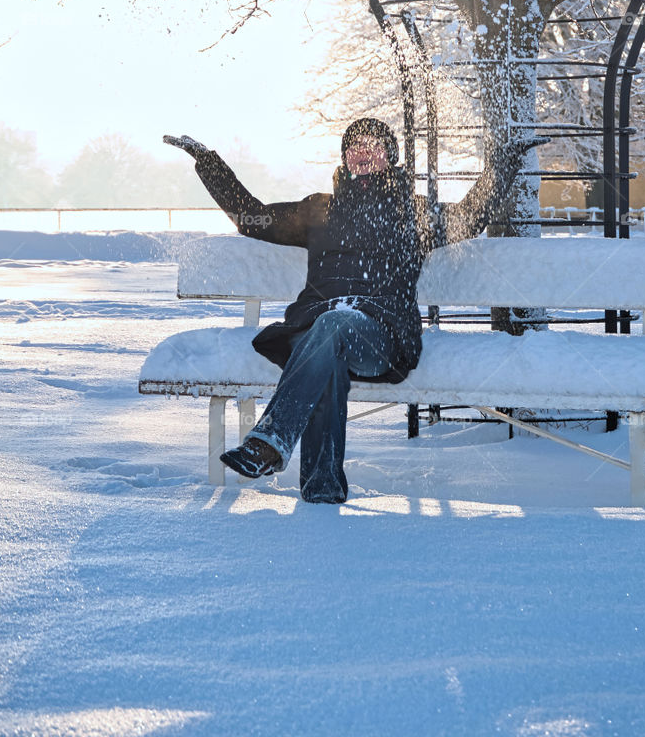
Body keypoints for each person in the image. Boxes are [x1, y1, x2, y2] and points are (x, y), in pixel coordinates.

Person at [164, 119, 540, 504]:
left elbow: (468, 218)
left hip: (378, 334)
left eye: (371, 145)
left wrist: (503, 165)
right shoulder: (319, 210)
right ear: (344, 157)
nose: (361, 152)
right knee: (326, 353)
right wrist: (208, 163)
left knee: (334, 326)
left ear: (388, 157)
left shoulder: (412, 212)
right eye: (353, 146)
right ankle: (321, 492)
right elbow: (251, 218)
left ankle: (272, 439)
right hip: (315, 332)